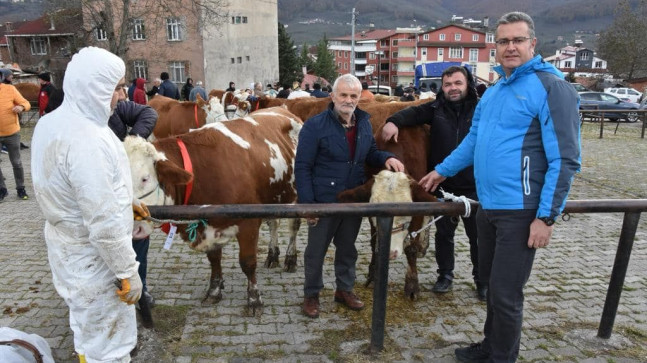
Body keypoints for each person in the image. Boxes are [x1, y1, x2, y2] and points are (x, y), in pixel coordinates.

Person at [420, 12, 580, 362]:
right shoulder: (494, 91)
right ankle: (490, 346)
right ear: (496, 46)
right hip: (486, 206)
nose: (510, 47)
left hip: (521, 211)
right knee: (493, 287)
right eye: (504, 41)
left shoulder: (552, 87)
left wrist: (546, 217)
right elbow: (475, 139)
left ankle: (502, 357)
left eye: (518, 40)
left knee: (507, 294)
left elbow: (565, 159)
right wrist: (441, 171)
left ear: (532, 44)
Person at [31, 47, 148, 363]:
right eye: (117, 87)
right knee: (108, 349)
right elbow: (103, 220)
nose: (123, 95)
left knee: (87, 335)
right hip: (97, 264)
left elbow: (80, 190)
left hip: (70, 253)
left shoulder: (51, 124)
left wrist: (128, 203)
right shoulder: (88, 139)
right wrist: (127, 271)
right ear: (96, 88)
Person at [295, 73, 405, 319]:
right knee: (316, 251)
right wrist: (307, 204)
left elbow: (371, 152)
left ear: (359, 98)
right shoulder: (315, 126)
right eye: (343, 95)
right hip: (324, 200)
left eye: (353, 96)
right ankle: (311, 293)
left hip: (352, 198)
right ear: (332, 96)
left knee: (347, 248)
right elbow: (302, 166)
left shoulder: (364, 123)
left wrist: (387, 157)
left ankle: (344, 290)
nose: (348, 100)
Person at [382, 66, 486, 301]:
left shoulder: (481, 108)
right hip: (444, 187)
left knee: (478, 237)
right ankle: (445, 276)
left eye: (457, 83)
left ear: (467, 84)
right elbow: (411, 113)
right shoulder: (435, 108)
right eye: (447, 84)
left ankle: (482, 280)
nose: (452, 89)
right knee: (444, 235)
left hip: (474, 185)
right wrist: (392, 122)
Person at [0, 68, 30, 201]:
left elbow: (26, 103)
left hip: (12, 132)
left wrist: (21, 107)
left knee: (16, 162)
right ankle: (2, 189)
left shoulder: (9, 89)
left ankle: (20, 188)